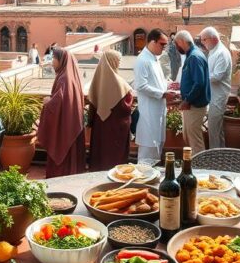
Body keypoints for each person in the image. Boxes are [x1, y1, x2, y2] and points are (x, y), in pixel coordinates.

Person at [37, 47, 86, 177]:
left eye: (54, 58)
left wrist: (48, 102)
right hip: (70, 123)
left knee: (63, 159)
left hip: (65, 126)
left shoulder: (64, 78)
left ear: (62, 60)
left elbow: (58, 103)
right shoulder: (69, 76)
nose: (52, 61)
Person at [87, 49, 134, 170]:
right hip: (116, 127)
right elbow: (125, 107)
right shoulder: (118, 82)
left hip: (100, 125)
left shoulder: (97, 80)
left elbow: (92, 103)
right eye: (118, 60)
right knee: (114, 157)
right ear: (111, 62)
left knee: (101, 153)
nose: (119, 63)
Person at [134, 29, 172, 165]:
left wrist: (170, 86)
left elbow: (158, 82)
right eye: (162, 44)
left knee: (157, 152)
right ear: (152, 42)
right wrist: (162, 94)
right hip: (149, 114)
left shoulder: (154, 59)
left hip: (159, 111)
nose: (164, 47)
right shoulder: (143, 60)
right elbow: (140, 86)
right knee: (146, 157)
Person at [175, 30, 210, 153]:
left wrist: (187, 100)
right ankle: (194, 165)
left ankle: (200, 168)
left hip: (195, 105)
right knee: (188, 136)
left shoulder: (194, 57)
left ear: (182, 41)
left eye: (176, 44)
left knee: (195, 140)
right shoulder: (192, 55)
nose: (176, 47)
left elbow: (199, 83)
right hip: (191, 104)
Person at [200, 27, 231, 149]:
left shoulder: (221, 53)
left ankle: (215, 159)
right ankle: (220, 156)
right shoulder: (214, 51)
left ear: (214, 39)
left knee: (214, 130)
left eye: (204, 40)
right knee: (216, 130)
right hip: (213, 96)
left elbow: (217, 76)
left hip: (218, 97)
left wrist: (199, 79)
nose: (202, 43)